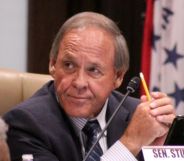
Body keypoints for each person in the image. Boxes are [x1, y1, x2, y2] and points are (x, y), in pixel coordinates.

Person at [3, 12, 175, 161]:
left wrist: (163, 149)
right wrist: (131, 143)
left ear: (118, 77)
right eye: (69, 65)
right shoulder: (24, 125)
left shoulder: (140, 116)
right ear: (53, 65)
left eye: (94, 70)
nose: (79, 82)